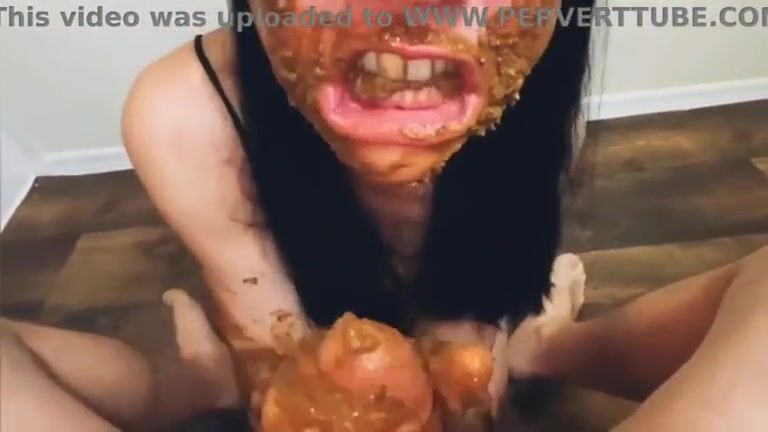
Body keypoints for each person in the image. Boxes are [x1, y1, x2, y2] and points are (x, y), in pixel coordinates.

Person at [2, 0, 766, 429]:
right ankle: (195, 385)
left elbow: (482, 285)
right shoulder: (185, 117)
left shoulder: (533, 86)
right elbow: (278, 352)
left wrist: (471, 368)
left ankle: (545, 349)